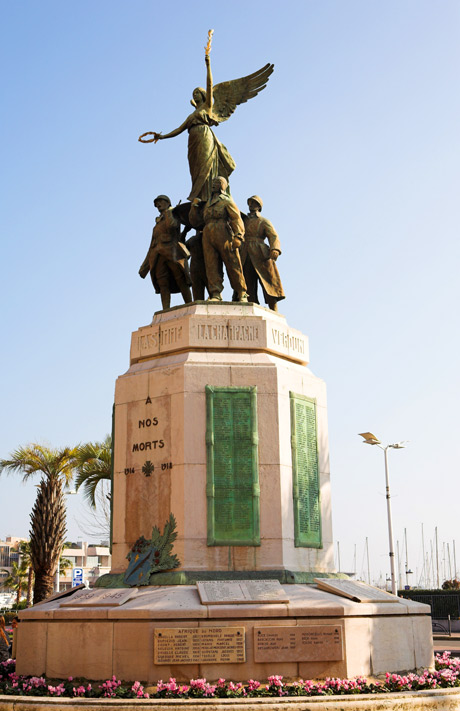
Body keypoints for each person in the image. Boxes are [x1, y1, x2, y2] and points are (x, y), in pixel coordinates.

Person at [139, 35, 274, 202]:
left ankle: (208, 197)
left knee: (206, 167)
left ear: (203, 95)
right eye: (193, 93)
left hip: (204, 137)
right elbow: (179, 129)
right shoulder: (191, 115)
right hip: (192, 141)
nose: (195, 94)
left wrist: (208, 64)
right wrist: (161, 136)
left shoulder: (208, 107)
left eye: (197, 92)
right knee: (195, 170)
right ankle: (199, 197)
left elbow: (210, 84)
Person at [190, 177, 248, 302]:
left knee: (232, 263)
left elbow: (236, 219)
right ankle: (215, 293)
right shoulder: (207, 204)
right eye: (213, 183)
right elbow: (196, 223)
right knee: (211, 265)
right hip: (208, 234)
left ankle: (241, 292)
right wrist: (194, 208)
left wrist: (238, 236)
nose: (213, 185)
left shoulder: (227, 201)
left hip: (223, 232)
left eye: (217, 183)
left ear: (223, 186)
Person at [139, 195, 192, 310]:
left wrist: (169, 212)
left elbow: (172, 226)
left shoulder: (173, 215)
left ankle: (190, 304)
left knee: (181, 279)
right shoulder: (156, 225)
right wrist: (144, 267)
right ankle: (165, 309)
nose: (158, 205)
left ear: (168, 203)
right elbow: (151, 246)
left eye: (160, 202)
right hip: (157, 256)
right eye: (156, 203)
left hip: (172, 253)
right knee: (162, 282)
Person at [240, 195, 285, 311]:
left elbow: (273, 236)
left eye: (254, 203)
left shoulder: (263, 221)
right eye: (250, 202)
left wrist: (275, 249)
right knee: (248, 283)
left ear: (259, 206)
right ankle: (252, 307)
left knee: (268, 282)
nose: (251, 205)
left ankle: (273, 307)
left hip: (261, 254)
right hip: (245, 253)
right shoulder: (242, 220)